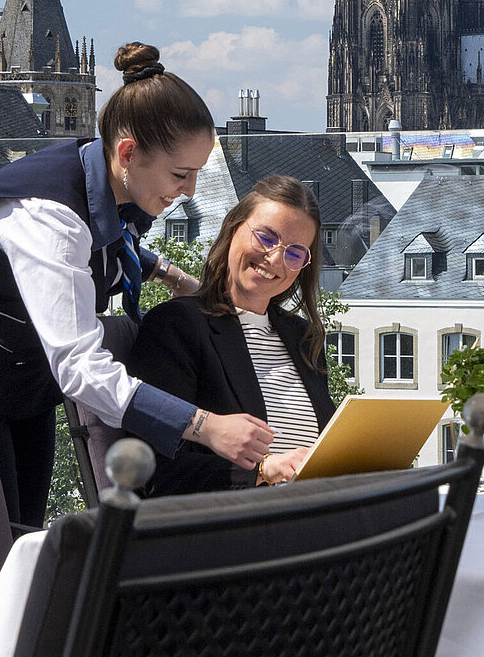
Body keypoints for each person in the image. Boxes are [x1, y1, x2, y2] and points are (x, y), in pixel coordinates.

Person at [0, 42, 274, 526]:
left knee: (22, 538)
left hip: (21, 384)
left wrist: (171, 275)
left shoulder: (108, 182)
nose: (190, 191)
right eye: (181, 174)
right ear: (128, 152)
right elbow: (79, 366)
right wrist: (204, 426)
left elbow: (108, 245)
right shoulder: (47, 213)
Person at [126, 176, 336, 496]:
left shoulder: (303, 338)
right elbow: (151, 470)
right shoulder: (178, 326)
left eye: (295, 253)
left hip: (313, 509)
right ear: (233, 228)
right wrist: (263, 471)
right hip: (232, 518)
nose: (275, 259)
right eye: (265, 237)